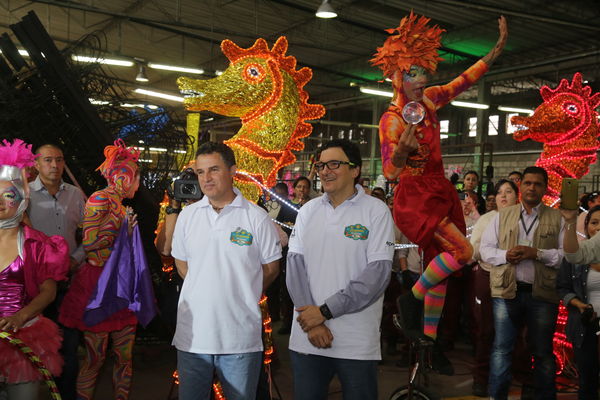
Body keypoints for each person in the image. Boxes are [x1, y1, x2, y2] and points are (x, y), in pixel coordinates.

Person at [373, 10, 507, 343]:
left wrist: (493, 53)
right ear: (398, 78)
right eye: (413, 74)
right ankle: (411, 298)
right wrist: (402, 153)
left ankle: (429, 342)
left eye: (423, 73)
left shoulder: (430, 101)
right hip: (416, 197)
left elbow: (463, 81)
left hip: (440, 190)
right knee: (462, 253)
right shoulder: (391, 120)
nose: (420, 81)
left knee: (440, 270)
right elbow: (390, 172)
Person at [170, 142, 281, 400]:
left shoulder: (255, 217)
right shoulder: (188, 216)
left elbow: (271, 268)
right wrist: (208, 285)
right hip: (193, 339)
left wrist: (239, 290)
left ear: (233, 171)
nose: (206, 178)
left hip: (239, 340)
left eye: (214, 170)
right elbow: (182, 264)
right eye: (200, 172)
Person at [286, 139, 395, 400]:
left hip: (356, 342)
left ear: (355, 170)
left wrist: (324, 312)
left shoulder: (377, 212)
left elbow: (377, 276)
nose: (325, 171)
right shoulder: (308, 211)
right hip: (307, 337)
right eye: (321, 165)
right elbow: (294, 268)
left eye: (335, 164)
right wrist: (311, 321)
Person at [59, 140, 142, 400]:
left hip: (121, 283)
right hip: (98, 285)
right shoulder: (99, 199)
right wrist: (123, 232)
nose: (138, 183)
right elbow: (90, 242)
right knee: (95, 359)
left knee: (125, 357)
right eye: (137, 176)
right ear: (122, 176)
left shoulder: (120, 205)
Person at [480, 166, 564, 399]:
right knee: (501, 350)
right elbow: (485, 251)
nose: (531, 187)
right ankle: (497, 396)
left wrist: (536, 253)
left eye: (537, 184)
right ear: (521, 187)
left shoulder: (556, 218)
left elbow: (565, 256)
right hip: (507, 293)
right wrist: (505, 256)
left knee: (543, 353)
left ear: (545, 189)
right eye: (527, 183)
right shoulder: (503, 215)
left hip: (542, 296)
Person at [0, 139, 69, 400]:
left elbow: (48, 292)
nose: (0, 202)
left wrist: (20, 317)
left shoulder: (36, 243)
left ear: (21, 200)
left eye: (8, 195)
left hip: (24, 336)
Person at [27, 144, 86, 400]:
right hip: (35, 286)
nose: (54, 165)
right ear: (36, 165)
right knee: (31, 347)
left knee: (68, 347)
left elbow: (90, 234)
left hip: (69, 283)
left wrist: (75, 259)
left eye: (59, 160)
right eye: (48, 160)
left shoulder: (76, 195)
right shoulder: (23, 195)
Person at [469, 179, 520, 397]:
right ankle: (481, 378)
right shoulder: (487, 220)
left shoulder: (523, 219)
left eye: (508, 191)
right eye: (499, 192)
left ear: (517, 196)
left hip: (516, 279)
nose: (503, 196)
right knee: (486, 330)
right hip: (487, 276)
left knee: (516, 331)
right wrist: (500, 254)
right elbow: (474, 250)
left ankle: (512, 375)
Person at [557, 205, 600, 400]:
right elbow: (562, 287)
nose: (598, 227)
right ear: (587, 226)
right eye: (594, 223)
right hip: (586, 325)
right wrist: (577, 304)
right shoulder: (577, 253)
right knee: (587, 382)